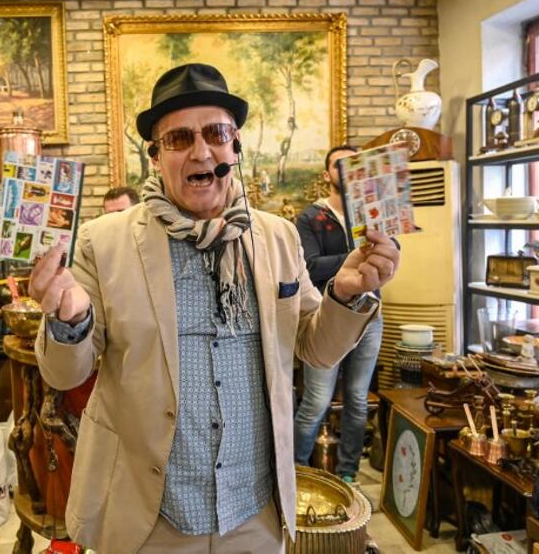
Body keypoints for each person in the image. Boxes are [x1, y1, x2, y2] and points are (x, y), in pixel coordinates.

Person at [29, 63, 400, 553]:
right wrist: (70, 321)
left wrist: (346, 293)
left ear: (235, 145)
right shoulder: (105, 241)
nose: (201, 151)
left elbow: (315, 346)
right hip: (146, 514)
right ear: (157, 156)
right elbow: (63, 374)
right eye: (179, 138)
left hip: (255, 514)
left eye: (215, 133)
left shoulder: (278, 236)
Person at [293, 145, 386, 484]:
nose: (348, 170)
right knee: (316, 402)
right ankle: (298, 472)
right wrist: (355, 258)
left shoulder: (374, 213)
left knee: (358, 400)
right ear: (326, 174)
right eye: (339, 165)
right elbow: (310, 266)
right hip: (326, 318)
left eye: (354, 163)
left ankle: (348, 474)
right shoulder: (310, 218)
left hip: (370, 317)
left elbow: (391, 256)